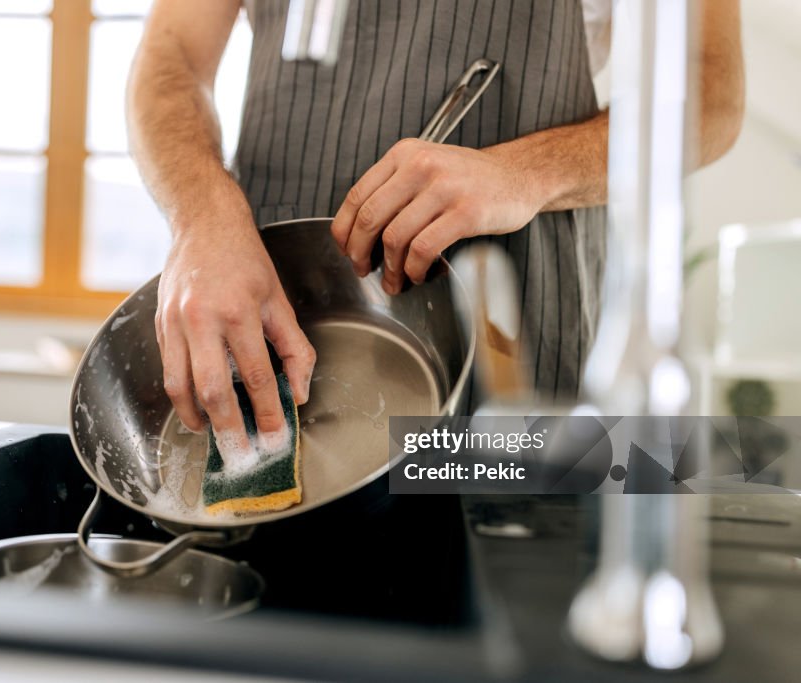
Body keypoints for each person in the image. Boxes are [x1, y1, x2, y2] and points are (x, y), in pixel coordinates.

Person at [127, 0, 744, 452]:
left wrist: (526, 171)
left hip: (512, 325)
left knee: (494, 580)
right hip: (272, 315)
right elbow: (171, 57)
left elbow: (710, 95)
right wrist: (203, 218)